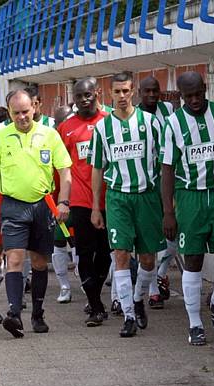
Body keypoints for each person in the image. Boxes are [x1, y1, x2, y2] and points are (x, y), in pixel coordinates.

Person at [161, 71, 214, 346]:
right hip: (190, 198)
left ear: (206, 89)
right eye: (189, 96)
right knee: (194, 261)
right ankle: (195, 324)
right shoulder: (174, 123)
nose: (196, 100)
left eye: (199, 94)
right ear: (181, 97)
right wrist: (169, 212)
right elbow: (167, 169)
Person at [0, 89, 72, 338]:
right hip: (13, 206)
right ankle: (14, 313)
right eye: (16, 113)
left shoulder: (49, 135)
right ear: (9, 113)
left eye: (25, 112)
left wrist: (63, 202)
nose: (22, 117)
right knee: (14, 258)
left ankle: (38, 313)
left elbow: (65, 171)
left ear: (34, 107)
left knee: (40, 261)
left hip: (43, 205)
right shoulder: (1, 138)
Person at [88, 72, 166, 338]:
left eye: (126, 91)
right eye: (117, 92)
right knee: (120, 255)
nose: (122, 96)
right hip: (118, 197)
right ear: (109, 93)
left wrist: (169, 202)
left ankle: (136, 298)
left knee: (147, 259)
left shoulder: (151, 122)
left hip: (147, 196)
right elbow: (97, 168)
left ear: (133, 92)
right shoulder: (102, 128)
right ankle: (129, 317)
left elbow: (165, 161)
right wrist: (96, 207)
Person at [57, 78, 111, 325]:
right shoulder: (66, 128)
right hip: (79, 200)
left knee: (106, 255)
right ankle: (97, 305)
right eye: (79, 96)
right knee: (85, 254)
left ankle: (95, 295)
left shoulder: (109, 122)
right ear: (74, 98)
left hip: (109, 199)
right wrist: (62, 201)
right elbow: (61, 168)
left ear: (97, 93)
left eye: (88, 94)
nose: (84, 99)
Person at [137, 76, 176, 309]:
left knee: (173, 231)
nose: (152, 95)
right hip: (147, 183)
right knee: (150, 237)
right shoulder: (134, 116)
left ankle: (161, 272)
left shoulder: (168, 109)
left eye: (156, 91)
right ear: (139, 93)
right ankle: (152, 289)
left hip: (170, 178)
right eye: (147, 91)